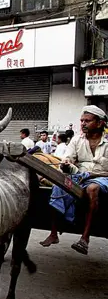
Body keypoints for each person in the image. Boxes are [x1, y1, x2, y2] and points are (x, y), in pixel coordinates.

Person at [40, 105, 108, 255]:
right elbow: (69, 158)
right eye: (81, 120)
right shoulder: (77, 140)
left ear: (100, 123)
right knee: (58, 183)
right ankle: (53, 233)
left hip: (102, 178)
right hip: (79, 176)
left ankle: (85, 238)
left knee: (92, 189)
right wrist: (66, 164)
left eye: (87, 121)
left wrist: (87, 174)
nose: (83, 124)